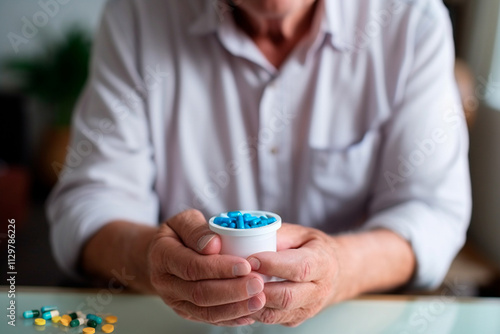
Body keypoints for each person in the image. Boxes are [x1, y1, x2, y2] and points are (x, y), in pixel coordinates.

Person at [47, 0, 471, 327]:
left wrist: (338, 267)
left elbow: (431, 213)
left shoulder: (411, 20)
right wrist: (153, 261)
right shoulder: (139, 16)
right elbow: (91, 202)